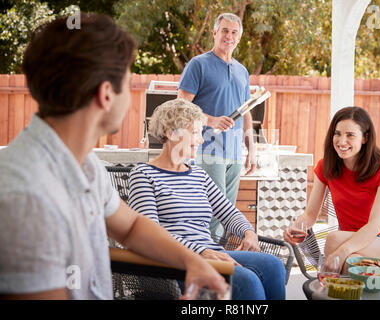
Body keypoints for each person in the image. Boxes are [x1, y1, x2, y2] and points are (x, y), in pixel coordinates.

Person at [0, 13, 228, 300]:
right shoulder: (27, 194)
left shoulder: (85, 165)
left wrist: (192, 261)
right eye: (128, 83)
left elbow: (131, 227)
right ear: (106, 95)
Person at [128, 98, 286, 300]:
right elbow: (151, 233)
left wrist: (249, 233)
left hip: (209, 254)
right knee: (247, 280)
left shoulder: (198, 175)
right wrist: (200, 251)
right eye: (194, 132)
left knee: (273, 266)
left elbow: (227, 212)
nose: (201, 140)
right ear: (170, 133)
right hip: (173, 264)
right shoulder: (144, 175)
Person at [284, 106, 380, 278]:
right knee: (350, 262)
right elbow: (310, 215)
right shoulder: (326, 167)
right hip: (353, 247)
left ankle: (325, 288)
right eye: (337, 133)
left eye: (350, 135)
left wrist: (340, 251)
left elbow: (375, 225)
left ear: (365, 138)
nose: (342, 141)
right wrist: (295, 227)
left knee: (334, 240)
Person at [177, 13, 256, 240]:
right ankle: (206, 261)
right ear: (214, 33)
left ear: (239, 37)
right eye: (224, 30)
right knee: (210, 212)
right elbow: (181, 105)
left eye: (234, 32)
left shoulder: (242, 71)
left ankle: (218, 262)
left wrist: (251, 148)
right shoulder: (198, 65)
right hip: (206, 150)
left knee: (227, 214)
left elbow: (246, 111)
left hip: (233, 153)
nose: (228, 36)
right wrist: (211, 120)